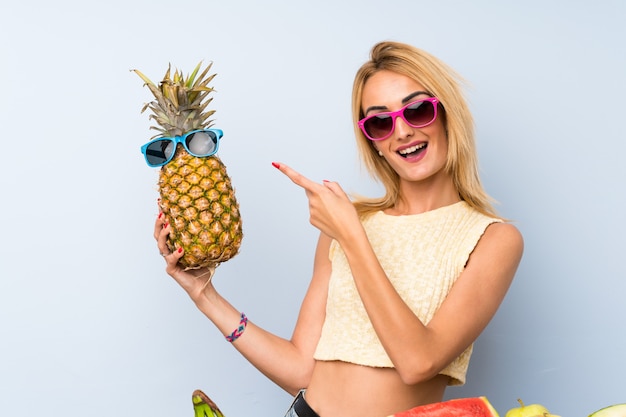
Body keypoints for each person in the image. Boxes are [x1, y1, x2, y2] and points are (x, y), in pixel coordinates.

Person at [154, 40, 524, 417]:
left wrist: (352, 236)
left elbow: (418, 362)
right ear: (373, 142)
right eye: (380, 121)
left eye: (417, 110)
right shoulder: (345, 222)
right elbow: (300, 368)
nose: (402, 132)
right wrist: (204, 294)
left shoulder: (492, 239)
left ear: (447, 115)